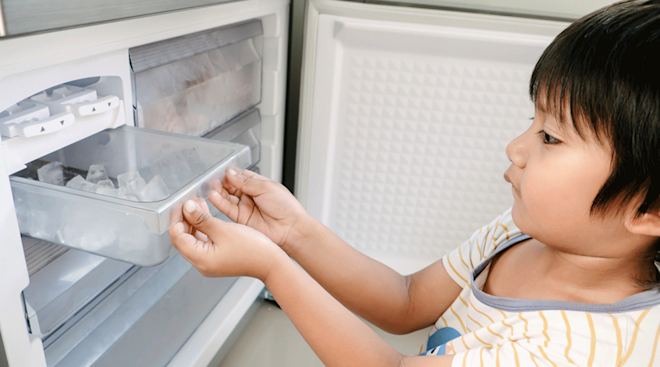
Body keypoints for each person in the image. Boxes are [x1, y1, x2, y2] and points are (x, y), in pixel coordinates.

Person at [169, 1, 660, 365]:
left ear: (647, 211)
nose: (515, 147)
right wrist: (293, 232)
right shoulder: (517, 234)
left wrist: (271, 267)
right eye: (533, 122)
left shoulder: (574, 353)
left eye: (550, 137)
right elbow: (404, 300)